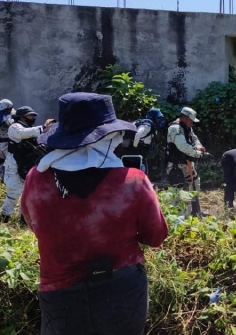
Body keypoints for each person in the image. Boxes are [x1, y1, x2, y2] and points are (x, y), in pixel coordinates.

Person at [21, 92, 168, 335]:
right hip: (122, 290)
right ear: (105, 138)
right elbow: (156, 237)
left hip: (59, 292)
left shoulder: (36, 179)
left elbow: (34, 225)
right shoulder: (132, 181)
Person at [1, 106, 55, 224]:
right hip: (13, 165)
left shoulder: (30, 129)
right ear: (22, 117)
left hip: (27, 164)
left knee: (28, 193)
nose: (33, 117)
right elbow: (22, 133)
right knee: (14, 192)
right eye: (31, 115)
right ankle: (4, 219)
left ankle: (23, 220)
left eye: (34, 115)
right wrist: (44, 127)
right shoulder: (14, 127)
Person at [166, 107, 212, 215]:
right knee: (177, 191)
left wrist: (199, 147)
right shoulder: (175, 128)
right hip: (176, 166)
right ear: (185, 118)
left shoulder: (187, 127)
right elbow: (183, 146)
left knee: (195, 184)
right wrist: (199, 155)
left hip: (187, 163)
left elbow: (194, 139)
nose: (192, 122)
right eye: (191, 120)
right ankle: (178, 217)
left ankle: (196, 211)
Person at [118, 108, 166, 174]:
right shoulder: (147, 124)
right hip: (139, 148)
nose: (159, 120)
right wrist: (135, 145)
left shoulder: (141, 122)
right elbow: (138, 133)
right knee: (141, 164)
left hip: (132, 148)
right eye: (158, 118)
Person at [0, 99, 15, 182]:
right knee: (9, 163)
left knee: (4, 163)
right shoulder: (7, 117)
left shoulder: (9, 115)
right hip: (6, 144)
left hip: (5, 143)